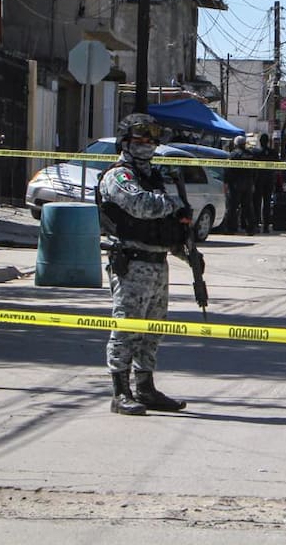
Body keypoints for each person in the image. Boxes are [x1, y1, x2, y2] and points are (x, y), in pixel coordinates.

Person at [98, 113, 192, 416]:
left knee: (153, 330)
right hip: (132, 263)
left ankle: (145, 388)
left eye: (152, 138)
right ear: (125, 142)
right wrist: (173, 205)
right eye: (140, 138)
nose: (147, 143)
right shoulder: (118, 176)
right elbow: (142, 206)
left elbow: (164, 223)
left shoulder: (154, 176)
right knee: (126, 329)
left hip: (157, 262)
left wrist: (185, 249)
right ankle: (120, 393)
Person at [224, 135, 257, 234]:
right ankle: (251, 228)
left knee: (232, 207)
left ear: (235, 144)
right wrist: (253, 182)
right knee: (248, 207)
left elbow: (228, 170)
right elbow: (255, 171)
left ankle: (231, 229)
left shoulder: (233, 155)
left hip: (235, 184)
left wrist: (226, 182)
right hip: (248, 184)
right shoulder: (250, 155)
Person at [251, 132, 277, 233]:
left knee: (256, 203)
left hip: (258, 180)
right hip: (269, 180)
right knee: (267, 203)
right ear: (268, 141)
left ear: (260, 141)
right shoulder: (273, 153)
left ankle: (256, 224)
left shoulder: (255, 152)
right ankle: (266, 226)